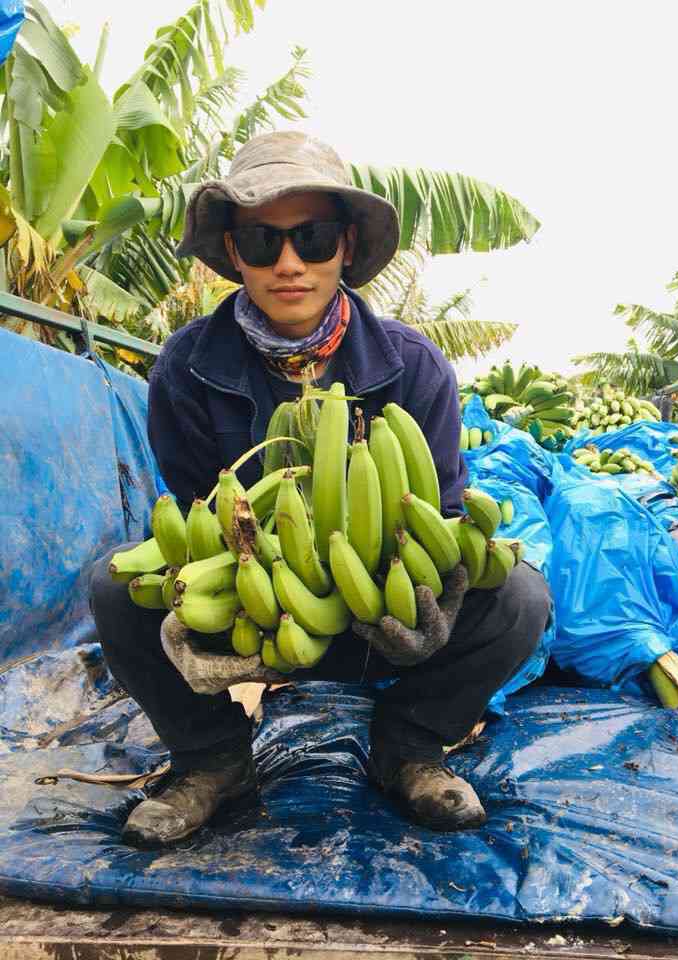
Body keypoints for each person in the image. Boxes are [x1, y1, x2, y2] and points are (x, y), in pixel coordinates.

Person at [90, 131, 551, 846]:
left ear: (345, 247)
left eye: (312, 237)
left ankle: (410, 748)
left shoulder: (413, 369)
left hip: (384, 610)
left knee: (521, 596)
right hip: (259, 612)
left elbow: (445, 516)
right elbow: (194, 519)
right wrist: (213, 604)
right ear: (234, 252)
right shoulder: (187, 366)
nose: (288, 263)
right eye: (262, 240)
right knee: (116, 588)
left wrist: (431, 599)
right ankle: (213, 761)